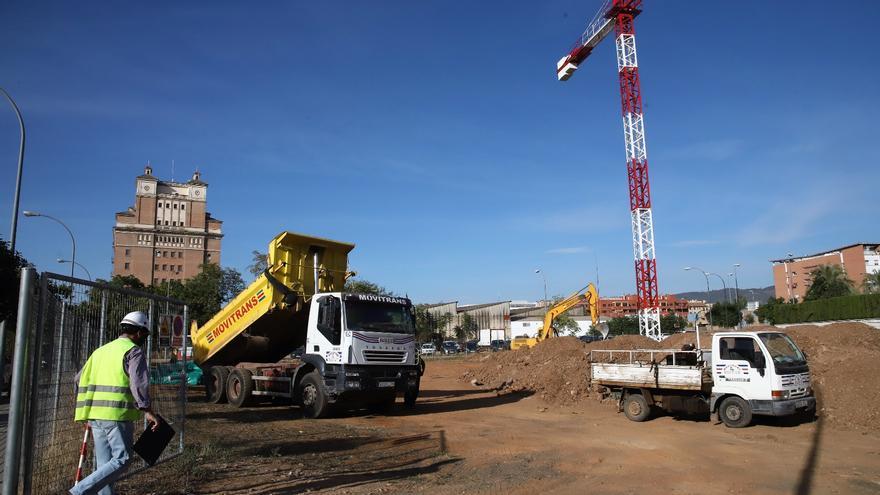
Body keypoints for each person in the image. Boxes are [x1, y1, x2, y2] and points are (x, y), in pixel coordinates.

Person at [70, 311, 159, 495]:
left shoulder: (100, 351)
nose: (145, 338)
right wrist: (147, 410)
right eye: (146, 334)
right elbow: (138, 384)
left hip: (96, 417)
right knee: (123, 459)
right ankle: (79, 491)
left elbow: (78, 379)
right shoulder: (133, 352)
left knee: (105, 465)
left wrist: (87, 412)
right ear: (139, 331)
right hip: (117, 416)